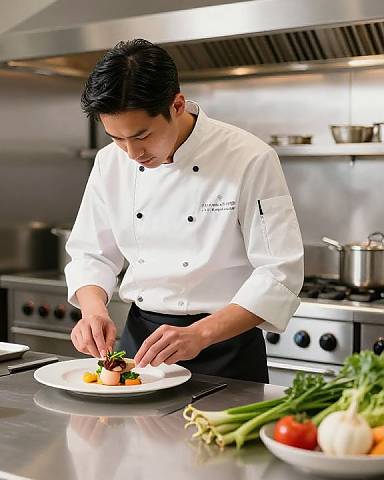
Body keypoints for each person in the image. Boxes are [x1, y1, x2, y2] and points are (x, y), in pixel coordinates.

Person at [64, 38, 304, 382]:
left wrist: (201, 335)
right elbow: (91, 253)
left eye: (142, 135)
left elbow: (280, 273)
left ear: (177, 104)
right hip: (142, 346)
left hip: (226, 349)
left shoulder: (249, 157)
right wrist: (92, 310)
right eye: (117, 138)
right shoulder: (109, 162)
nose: (132, 153)